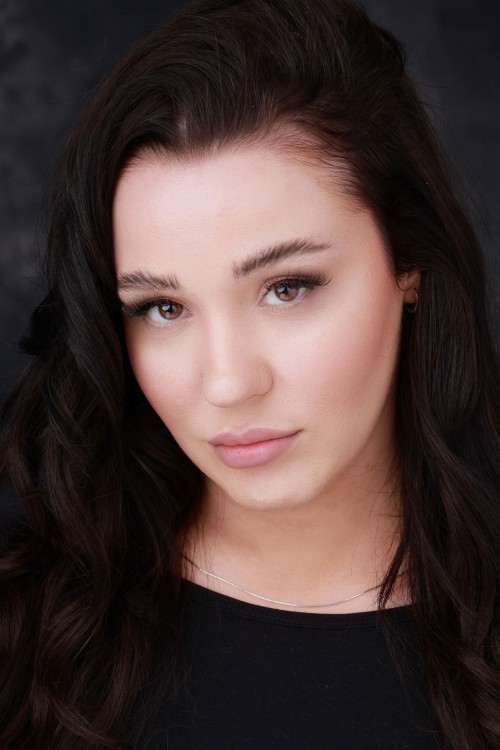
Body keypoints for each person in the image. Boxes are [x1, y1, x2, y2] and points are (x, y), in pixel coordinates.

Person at [0, 0, 498, 747]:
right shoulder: (28, 636)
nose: (228, 383)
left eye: (286, 288)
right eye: (163, 307)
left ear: (409, 263)